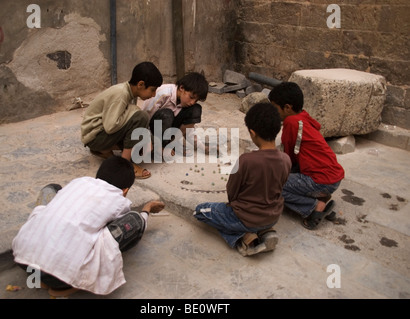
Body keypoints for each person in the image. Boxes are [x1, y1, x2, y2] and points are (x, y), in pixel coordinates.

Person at [12, 156, 165, 297]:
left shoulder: (79, 181)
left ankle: (40, 270)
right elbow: (123, 227)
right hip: (61, 277)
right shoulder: (120, 201)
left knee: (52, 189)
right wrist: (147, 209)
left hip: (22, 258)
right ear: (125, 190)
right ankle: (67, 286)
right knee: (134, 220)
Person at [193, 103, 291, 257]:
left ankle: (245, 237)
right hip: (273, 216)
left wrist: (233, 207)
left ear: (252, 133)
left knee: (200, 210)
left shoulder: (246, 160)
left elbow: (232, 191)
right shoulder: (286, 159)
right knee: (247, 216)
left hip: (245, 217)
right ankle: (265, 231)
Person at [268, 82, 345, 230]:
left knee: (271, 184)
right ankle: (320, 196)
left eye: (275, 108)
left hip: (320, 180)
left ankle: (314, 207)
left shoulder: (291, 122)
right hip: (333, 178)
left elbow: (288, 158)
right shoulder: (303, 117)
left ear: (287, 108)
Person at [81, 61, 163, 179]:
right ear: (140, 84)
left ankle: (103, 150)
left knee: (147, 143)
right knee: (141, 117)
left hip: (100, 135)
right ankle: (124, 166)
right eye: (152, 90)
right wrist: (133, 110)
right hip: (95, 137)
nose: (154, 94)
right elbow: (110, 127)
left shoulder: (130, 92)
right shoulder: (121, 95)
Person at [140, 72, 210, 156]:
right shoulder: (162, 94)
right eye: (191, 97)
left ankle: (171, 145)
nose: (192, 102)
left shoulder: (186, 104)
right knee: (166, 114)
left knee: (195, 109)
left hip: (168, 134)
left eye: (196, 100)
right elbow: (144, 120)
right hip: (152, 132)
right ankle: (158, 148)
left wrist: (203, 147)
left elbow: (189, 130)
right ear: (181, 88)